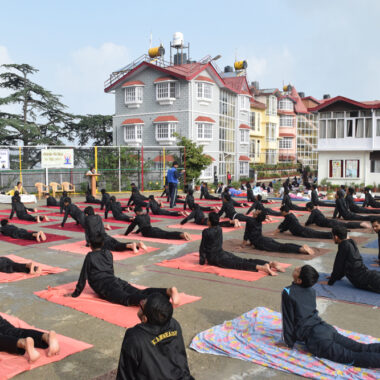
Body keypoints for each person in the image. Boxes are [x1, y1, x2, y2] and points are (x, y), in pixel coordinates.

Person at [281, 264, 380, 368]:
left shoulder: (288, 292)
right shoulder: (312, 291)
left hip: (317, 338)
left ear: (299, 280)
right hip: (326, 329)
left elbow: (287, 319)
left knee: (351, 357)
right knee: (361, 347)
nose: (296, 268)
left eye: (299, 270)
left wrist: (288, 343)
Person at [71, 233, 180, 307]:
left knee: (126, 298)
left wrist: (75, 293)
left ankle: (154, 301)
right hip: (114, 280)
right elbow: (110, 271)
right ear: (103, 244)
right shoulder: (108, 253)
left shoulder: (90, 256)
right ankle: (166, 291)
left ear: (90, 245)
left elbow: (83, 276)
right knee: (139, 291)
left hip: (104, 285)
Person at [116, 293, 194, 380]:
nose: (141, 302)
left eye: (142, 306)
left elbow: (126, 374)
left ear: (144, 319)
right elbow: (180, 359)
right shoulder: (173, 324)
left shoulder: (135, 337)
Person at [199, 212, 284, 275]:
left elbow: (202, 247)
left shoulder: (206, 231)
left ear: (209, 222)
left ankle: (262, 267)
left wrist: (202, 261)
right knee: (243, 260)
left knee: (238, 264)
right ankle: (270, 263)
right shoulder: (219, 228)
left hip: (215, 258)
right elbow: (220, 224)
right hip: (223, 253)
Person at [321, 226, 380, 293]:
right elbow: (344, 265)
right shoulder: (351, 242)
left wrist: (330, 282)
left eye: (333, 237)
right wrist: (336, 277)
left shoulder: (343, 246)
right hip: (367, 273)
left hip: (361, 279)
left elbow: (338, 266)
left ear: (336, 237)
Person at [242, 210, 314, 255]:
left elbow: (247, 233)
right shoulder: (258, 221)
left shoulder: (250, 220)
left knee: (281, 248)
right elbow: (255, 232)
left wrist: (242, 246)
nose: (256, 210)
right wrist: (251, 243)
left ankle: (300, 249)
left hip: (262, 242)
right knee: (282, 245)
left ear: (256, 215)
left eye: (257, 211)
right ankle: (300, 247)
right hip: (264, 239)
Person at [125, 206, 191, 241]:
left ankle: (181, 234)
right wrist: (136, 232)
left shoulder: (137, 217)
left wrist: (125, 234)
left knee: (166, 235)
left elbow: (131, 227)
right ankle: (180, 234)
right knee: (166, 233)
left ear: (136, 212)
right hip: (153, 229)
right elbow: (143, 224)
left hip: (148, 233)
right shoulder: (147, 215)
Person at [305, 202, 370, 229]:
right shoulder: (316, 211)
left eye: (307, 208)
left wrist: (306, 224)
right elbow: (313, 220)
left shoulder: (313, 212)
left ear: (308, 208)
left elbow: (309, 221)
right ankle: (360, 224)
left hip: (329, 223)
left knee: (345, 225)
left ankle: (360, 224)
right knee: (345, 224)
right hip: (329, 221)